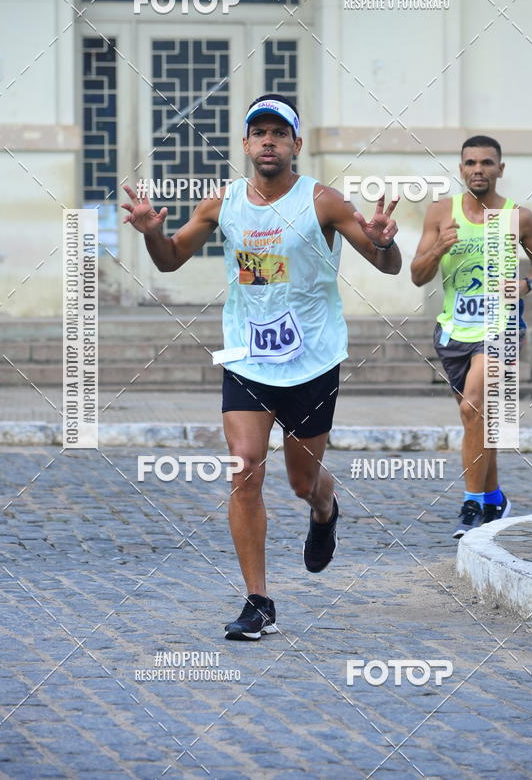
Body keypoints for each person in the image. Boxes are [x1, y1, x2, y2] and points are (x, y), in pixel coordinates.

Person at [122, 93, 402, 638]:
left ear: (296, 144)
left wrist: (386, 245)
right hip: (248, 359)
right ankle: (258, 601)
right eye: (259, 133)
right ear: (246, 144)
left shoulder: (323, 202)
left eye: (280, 133)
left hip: (312, 362)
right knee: (244, 468)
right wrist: (153, 233)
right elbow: (171, 259)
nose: (268, 141)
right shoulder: (221, 202)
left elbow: (386, 265)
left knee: (303, 483)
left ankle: (325, 511)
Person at [410, 135, 532, 538]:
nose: (478, 169)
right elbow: (418, 274)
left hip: (500, 328)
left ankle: (472, 503)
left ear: (500, 169)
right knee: (480, 421)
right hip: (453, 330)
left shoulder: (517, 217)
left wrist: (525, 284)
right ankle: (494, 498)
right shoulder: (441, 212)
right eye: (470, 162)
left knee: (473, 410)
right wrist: (438, 247)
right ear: (460, 169)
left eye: (487, 163)